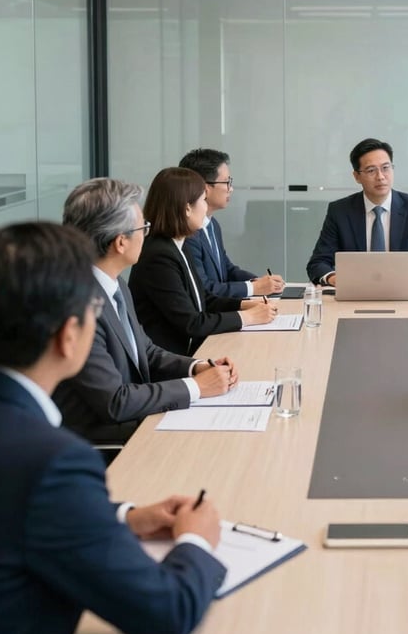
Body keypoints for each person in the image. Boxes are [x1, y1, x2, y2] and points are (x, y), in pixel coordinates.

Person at [0, 221, 226, 634]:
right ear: (68, 336)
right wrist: (196, 541)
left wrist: (122, 516)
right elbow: (165, 614)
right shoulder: (51, 462)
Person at [54, 178, 240, 446]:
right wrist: (198, 387)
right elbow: (115, 402)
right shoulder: (78, 305)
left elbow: (146, 352)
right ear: (120, 242)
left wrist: (197, 367)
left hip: (136, 421)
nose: (147, 234)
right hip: (105, 444)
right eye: (143, 227)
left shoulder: (114, 283)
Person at [129, 167, 276, 355]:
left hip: (192, 350)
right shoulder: (159, 255)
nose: (206, 208)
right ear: (187, 208)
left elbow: (203, 299)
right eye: (203, 200)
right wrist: (247, 317)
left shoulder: (178, 244)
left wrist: (244, 305)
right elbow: (192, 322)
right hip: (171, 360)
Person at [306, 137, 408, 286]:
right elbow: (318, 263)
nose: (380, 177)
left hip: (402, 294)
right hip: (355, 293)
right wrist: (335, 279)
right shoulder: (340, 211)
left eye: (385, 168)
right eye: (371, 170)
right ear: (357, 176)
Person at [179, 148, 285, 298]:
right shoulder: (186, 233)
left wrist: (259, 282)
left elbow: (227, 270)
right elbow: (203, 289)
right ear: (205, 187)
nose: (231, 189)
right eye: (227, 182)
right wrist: (254, 288)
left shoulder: (212, 224)